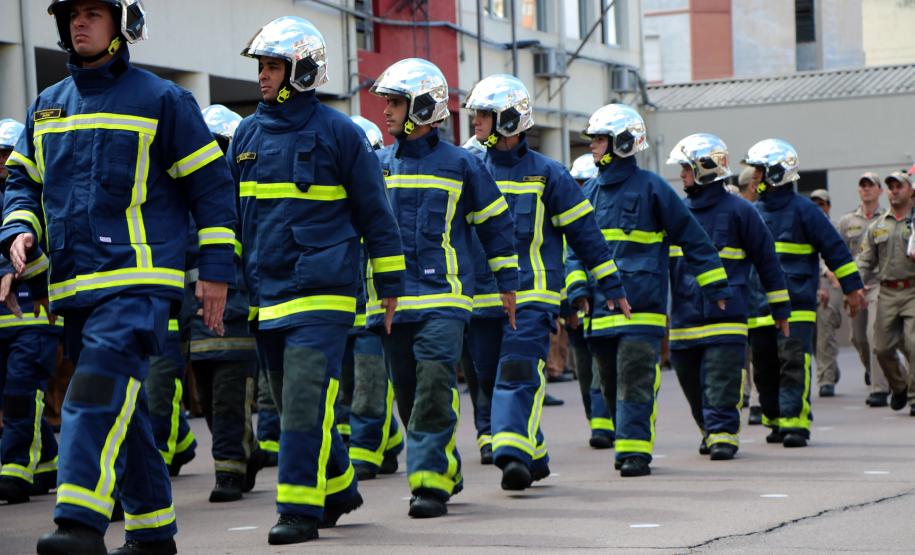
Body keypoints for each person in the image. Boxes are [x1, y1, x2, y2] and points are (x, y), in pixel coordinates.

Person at [3, 1, 238, 553]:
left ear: (121, 25)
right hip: (77, 289)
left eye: (93, 13)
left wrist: (216, 272)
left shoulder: (163, 99)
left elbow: (211, 189)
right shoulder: (47, 107)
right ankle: (153, 532)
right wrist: (19, 230)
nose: (79, 23)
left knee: (94, 393)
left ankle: (80, 524)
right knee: (122, 412)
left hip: (138, 283)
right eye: (72, 15)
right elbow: (22, 183)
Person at [231, 16, 405, 544]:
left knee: (306, 400)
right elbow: (235, 221)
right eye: (261, 66)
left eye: (273, 66)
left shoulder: (339, 134)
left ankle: (298, 510)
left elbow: (376, 213)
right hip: (267, 296)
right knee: (294, 405)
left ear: (301, 71)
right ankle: (338, 484)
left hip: (324, 293)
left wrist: (389, 285)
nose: (263, 76)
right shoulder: (246, 134)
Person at [368, 58, 518, 517]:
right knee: (409, 395)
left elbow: (495, 225)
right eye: (387, 102)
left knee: (434, 388)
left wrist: (508, 284)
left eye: (395, 103)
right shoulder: (376, 165)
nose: (387, 112)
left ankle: (429, 485)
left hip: (445, 300)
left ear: (422, 107)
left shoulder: (462, 164)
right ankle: (446, 467)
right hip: (389, 305)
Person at [465, 75, 628, 490]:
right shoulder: (468, 168)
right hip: (480, 300)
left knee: (517, 373)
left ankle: (512, 454)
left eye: (483, 114)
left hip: (532, 297)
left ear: (508, 119)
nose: (475, 122)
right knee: (487, 379)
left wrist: (611, 285)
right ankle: (533, 451)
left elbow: (586, 235)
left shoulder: (547, 174)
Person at [566, 105, 730, 478]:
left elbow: (692, 237)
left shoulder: (653, 188)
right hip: (600, 313)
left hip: (642, 309)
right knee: (608, 384)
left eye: (599, 139)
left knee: (635, 379)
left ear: (622, 143)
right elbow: (573, 247)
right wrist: (577, 288)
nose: (592, 145)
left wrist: (715, 284)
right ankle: (625, 442)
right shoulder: (588, 191)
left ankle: (634, 452)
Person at [666, 133, 789, 460]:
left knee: (721, 379)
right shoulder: (676, 214)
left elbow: (767, 261)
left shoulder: (741, 212)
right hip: (683, 317)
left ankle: (723, 434)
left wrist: (780, 308)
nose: (681, 175)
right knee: (691, 383)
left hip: (727, 315)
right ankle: (708, 428)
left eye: (686, 169)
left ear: (704, 168)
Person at [743, 139, 865, 448]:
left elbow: (835, 251)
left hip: (796, 304)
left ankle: (795, 423)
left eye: (758, 171)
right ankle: (774, 419)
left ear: (775, 174)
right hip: (759, 306)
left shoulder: (806, 211)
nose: (753, 178)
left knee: (793, 363)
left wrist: (852, 290)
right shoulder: (750, 212)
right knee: (766, 368)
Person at [188, 104, 265, 502]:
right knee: (209, 405)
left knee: (231, 401)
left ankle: (229, 474)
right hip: (198, 322)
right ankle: (244, 457)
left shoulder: (245, 198)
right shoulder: (189, 200)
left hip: (238, 319)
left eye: (220, 146)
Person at [0, 118, 65, 505]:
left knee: (22, 393)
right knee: (12, 395)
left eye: (8, 155)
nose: (4, 163)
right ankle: (46, 463)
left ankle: (14, 469)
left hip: (36, 317)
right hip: (5, 322)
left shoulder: (35, 200)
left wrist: (12, 267)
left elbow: (42, 255)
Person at [343, 114, 403, 481]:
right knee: (349, 389)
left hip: (376, 306)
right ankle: (390, 439)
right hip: (340, 307)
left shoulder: (385, 198)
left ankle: (365, 452)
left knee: (369, 383)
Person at [855, 171, 915, 415]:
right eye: (890, 187)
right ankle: (899, 385)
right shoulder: (877, 226)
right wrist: (854, 285)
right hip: (887, 292)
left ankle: (913, 397)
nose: (894, 191)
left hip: (912, 290)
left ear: (910, 190)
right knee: (880, 348)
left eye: (898, 186)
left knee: (914, 344)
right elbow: (864, 260)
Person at [567, 153, 615, 449]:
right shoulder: (567, 212)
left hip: (599, 305)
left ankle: (604, 424)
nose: (580, 188)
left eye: (584, 182)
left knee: (600, 370)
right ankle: (596, 420)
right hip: (575, 306)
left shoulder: (601, 212)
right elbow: (565, 260)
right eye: (577, 183)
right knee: (584, 373)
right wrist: (569, 302)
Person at [836, 173, 893, 406]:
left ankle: (879, 387)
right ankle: (875, 371)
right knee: (858, 338)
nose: (867, 189)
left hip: (879, 284)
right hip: (854, 285)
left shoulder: (887, 220)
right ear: (859, 191)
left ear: (880, 191)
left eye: (872, 186)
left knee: (873, 333)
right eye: (863, 186)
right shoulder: (847, 221)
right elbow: (835, 250)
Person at [809, 189, 845, 398]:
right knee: (813, 335)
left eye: (822, 203)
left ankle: (826, 379)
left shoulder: (834, 227)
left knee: (825, 329)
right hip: (812, 280)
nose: (818, 207)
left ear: (829, 206)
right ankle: (830, 368)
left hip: (830, 281)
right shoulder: (805, 224)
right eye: (814, 203)